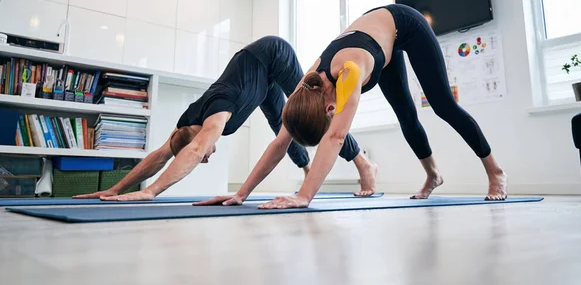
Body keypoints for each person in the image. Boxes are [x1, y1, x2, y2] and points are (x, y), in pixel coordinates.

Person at [255, 4, 507, 209]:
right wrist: (241, 194)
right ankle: (434, 175)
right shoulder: (306, 89)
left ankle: (495, 172)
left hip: (405, 24)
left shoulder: (348, 73)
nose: (334, 114)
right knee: (406, 116)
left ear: (326, 109)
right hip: (377, 42)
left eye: (329, 116)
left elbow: (335, 137)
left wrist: (304, 196)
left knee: (443, 106)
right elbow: (280, 142)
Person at [74, 36, 378, 201]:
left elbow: (192, 151)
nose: (205, 156)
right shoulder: (187, 121)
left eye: (202, 153)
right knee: (282, 124)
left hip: (274, 55)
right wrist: (116, 188)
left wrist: (150, 191)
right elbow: (160, 155)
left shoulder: (216, 115)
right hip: (256, 71)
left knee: (309, 110)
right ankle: (308, 167)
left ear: (199, 138)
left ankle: (362, 162)